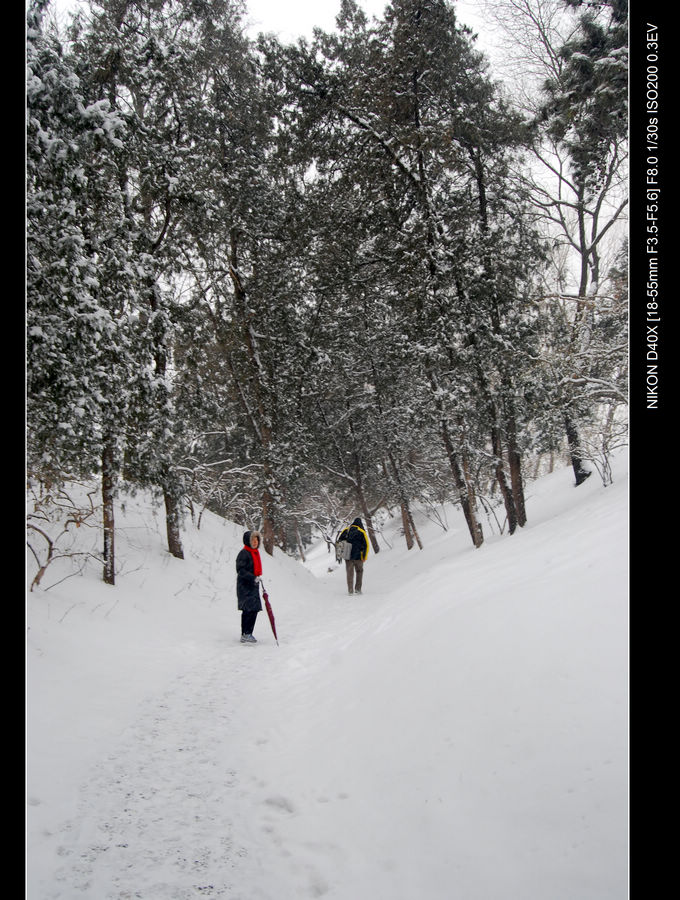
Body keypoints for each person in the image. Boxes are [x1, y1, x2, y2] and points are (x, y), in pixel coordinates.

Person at [236, 530, 263, 643]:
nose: (255, 542)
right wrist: (252, 578)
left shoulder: (255, 553)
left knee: (254, 610)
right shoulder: (244, 553)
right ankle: (245, 634)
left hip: (253, 586)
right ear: (248, 541)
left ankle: (249, 633)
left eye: (256, 540)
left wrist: (256, 578)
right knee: (247, 610)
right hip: (245, 586)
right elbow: (240, 570)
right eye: (252, 540)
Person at [338, 517, 369, 595]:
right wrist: (364, 557)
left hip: (348, 556)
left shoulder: (346, 530)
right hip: (358, 557)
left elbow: (339, 541)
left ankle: (350, 591)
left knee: (349, 573)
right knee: (359, 571)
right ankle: (358, 589)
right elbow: (366, 545)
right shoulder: (362, 531)